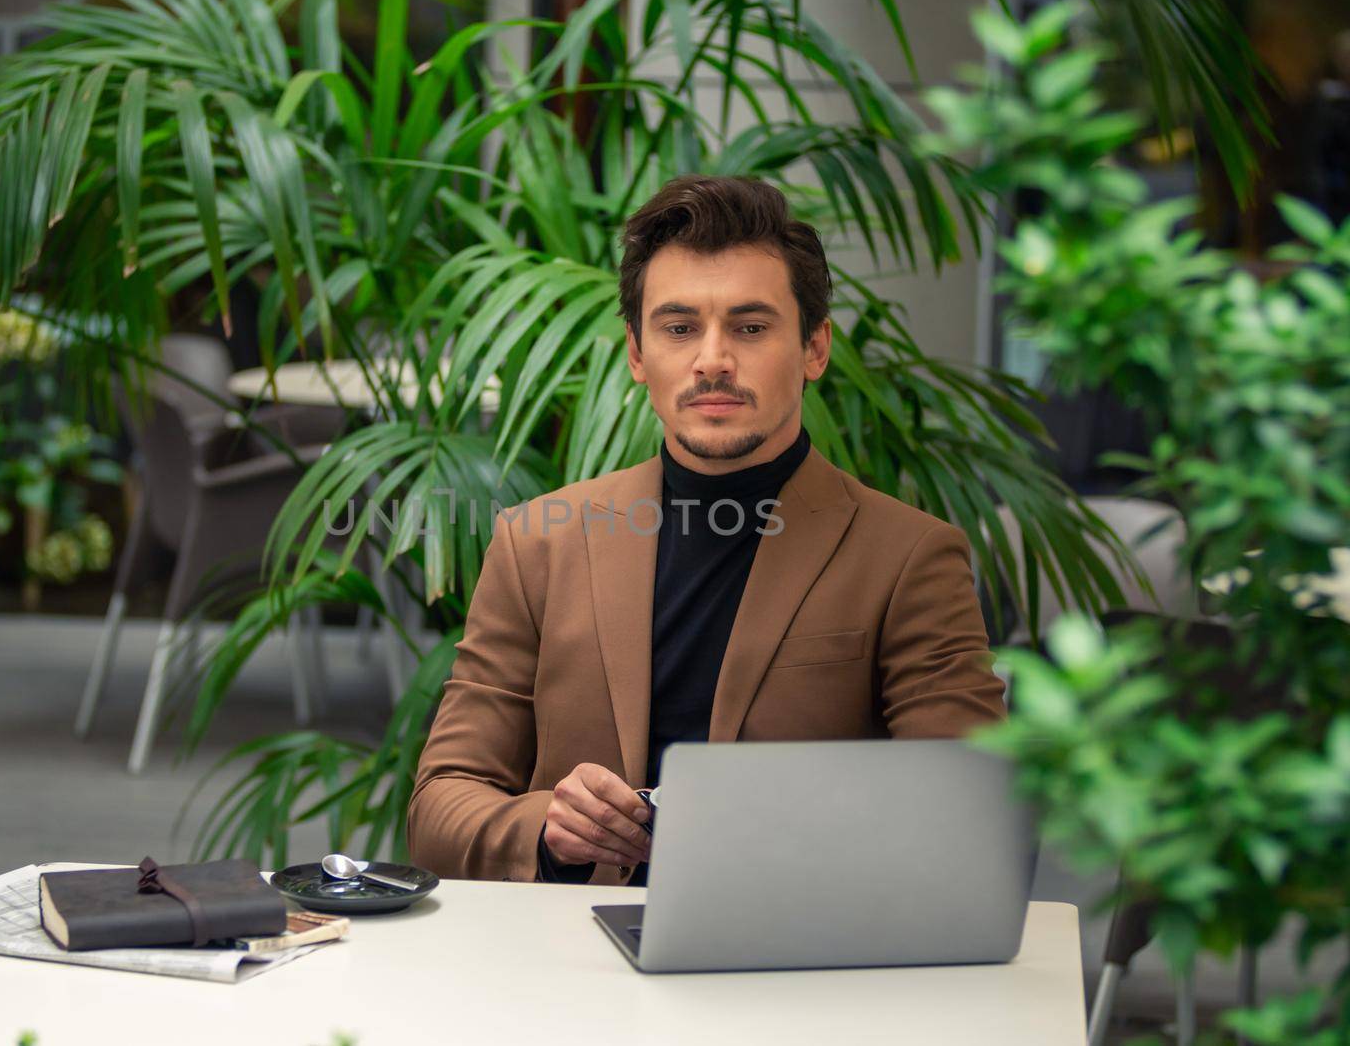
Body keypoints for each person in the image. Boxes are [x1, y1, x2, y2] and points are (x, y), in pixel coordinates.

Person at [407, 174, 1006, 886]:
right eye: (679, 327)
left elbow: (965, 815)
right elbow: (440, 805)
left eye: (751, 328)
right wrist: (546, 828)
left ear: (815, 349)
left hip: (789, 965)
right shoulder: (538, 543)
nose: (713, 358)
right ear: (637, 353)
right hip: (568, 969)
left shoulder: (907, 557)